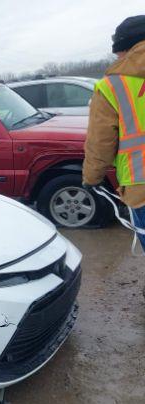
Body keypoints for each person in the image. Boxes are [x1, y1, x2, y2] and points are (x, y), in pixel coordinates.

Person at [83, 15, 145, 252]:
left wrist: (92, 178)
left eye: (118, 52)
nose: (117, 58)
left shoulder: (112, 86)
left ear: (128, 48)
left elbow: (100, 142)